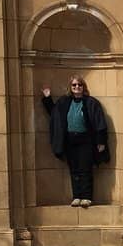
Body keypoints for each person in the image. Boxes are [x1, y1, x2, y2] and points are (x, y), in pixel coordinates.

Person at [40, 76, 110, 208]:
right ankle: (77, 196)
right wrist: (47, 97)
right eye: (74, 85)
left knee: (85, 169)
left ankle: (87, 197)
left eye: (79, 85)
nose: (77, 87)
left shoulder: (91, 102)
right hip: (70, 141)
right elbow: (55, 114)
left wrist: (101, 142)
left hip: (86, 140)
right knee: (74, 169)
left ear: (83, 87)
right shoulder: (64, 102)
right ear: (70, 87)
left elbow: (100, 122)